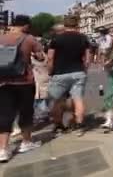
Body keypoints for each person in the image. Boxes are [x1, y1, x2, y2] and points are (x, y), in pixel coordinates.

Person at [0, 15, 45, 162]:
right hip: (24, 82)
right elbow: (41, 57)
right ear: (25, 26)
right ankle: (26, 142)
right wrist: (33, 54)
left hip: (4, 82)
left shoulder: (2, 37)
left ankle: (3, 149)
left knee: (5, 114)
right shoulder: (30, 39)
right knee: (26, 112)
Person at [47, 15, 90, 137]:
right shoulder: (83, 38)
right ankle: (79, 126)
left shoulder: (56, 39)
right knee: (78, 99)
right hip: (78, 72)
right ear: (77, 24)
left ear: (64, 25)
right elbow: (87, 58)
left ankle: (59, 126)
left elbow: (50, 58)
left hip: (60, 73)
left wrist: (50, 71)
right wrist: (84, 70)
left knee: (56, 101)